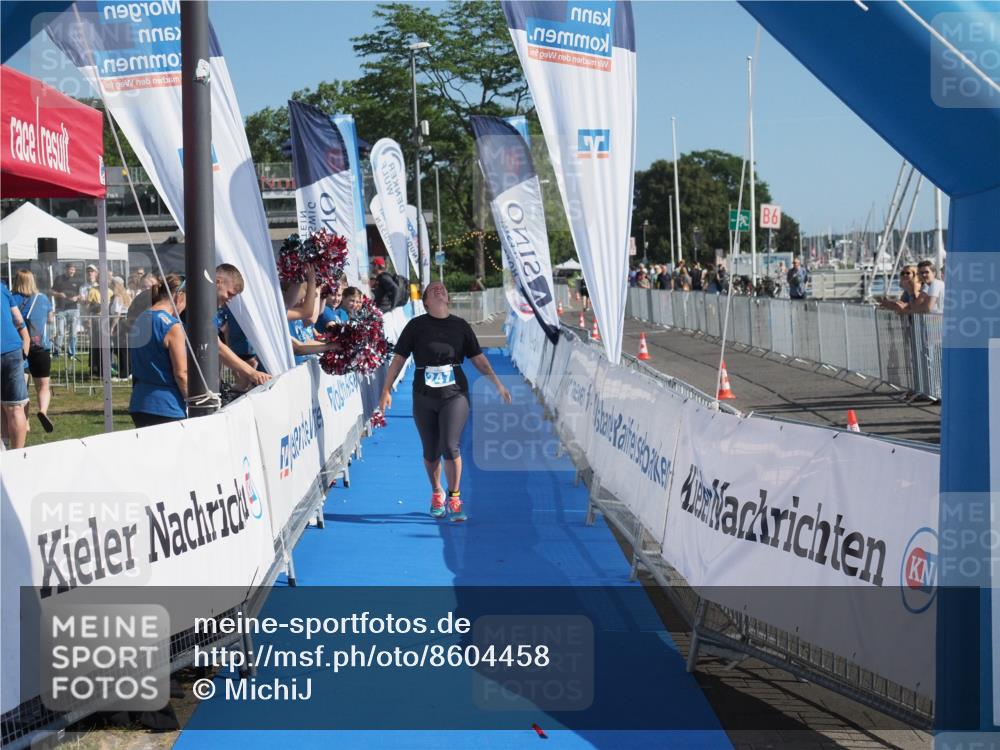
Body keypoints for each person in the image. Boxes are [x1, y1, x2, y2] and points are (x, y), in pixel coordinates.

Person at [379, 282, 511, 522]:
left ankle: (455, 496)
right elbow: (398, 359)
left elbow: (478, 359)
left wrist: (497, 383)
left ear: (448, 298)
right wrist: (386, 390)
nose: (438, 289)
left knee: (451, 445)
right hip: (424, 395)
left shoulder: (460, 326)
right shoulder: (415, 326)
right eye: (432, 289)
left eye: (442, 288)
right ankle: (436, 492)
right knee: (431, 452)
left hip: (455, 394)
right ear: (426, 301)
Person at [127, 274, 188, 428]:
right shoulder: (173, 327)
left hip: (139, 403)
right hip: (167, 406)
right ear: (179, 296)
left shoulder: (140, 319)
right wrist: (193, 403)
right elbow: (181, 374)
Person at [11, 270, 55, 433]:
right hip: (40, 347)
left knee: (22, 389)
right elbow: (50, 319)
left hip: (20, 347)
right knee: (43, 386)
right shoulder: (42, 299)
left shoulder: (11, 298)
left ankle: (25, 421)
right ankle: (43, 410)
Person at [1, 281, 31, 448]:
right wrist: (24, 350)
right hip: (12, 351)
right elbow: (19, 320)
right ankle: (16, 455)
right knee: (15, 408)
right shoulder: (2, 288)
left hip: (11, 350)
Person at [50, 263, 82, 358]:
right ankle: (57, 353)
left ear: (75, 270)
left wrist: (77, 297)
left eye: (73, 269)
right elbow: (51, 292)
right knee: (60, 332)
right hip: (61, 309)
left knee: (73, 333)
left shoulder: (78, 280)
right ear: (66, 269)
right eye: (70, 269)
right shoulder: (59, 278)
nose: (71, 271)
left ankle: (71, 353)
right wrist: (59, 294)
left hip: (74, 309)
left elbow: (82, 295)